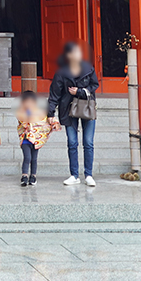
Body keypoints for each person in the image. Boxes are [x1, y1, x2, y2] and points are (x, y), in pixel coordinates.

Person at [48, 40, 99, 186]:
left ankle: (88, 174)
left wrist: (80, 91)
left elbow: (94, 85)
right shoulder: (61, 73)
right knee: (72, 142)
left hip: (87, 108)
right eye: (74, 52)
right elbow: (54, 95)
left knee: (88, 142)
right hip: (68, 110)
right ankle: (74, 175)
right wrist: (50, 113)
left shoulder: (88, 68)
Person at [16, 90, 52, 186]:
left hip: (36, 140)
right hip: (25, 140)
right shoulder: (21, 112)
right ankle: (24, 176)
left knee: (34, 159)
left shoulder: (39, 113)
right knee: (27, 157)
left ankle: (33, 176)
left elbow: (44, 122)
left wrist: (53, 123)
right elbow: (22, 121)